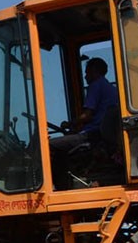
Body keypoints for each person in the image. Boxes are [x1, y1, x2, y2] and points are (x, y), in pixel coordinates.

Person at [49, 57, 119, 188]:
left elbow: (87, 115)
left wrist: (69, 124)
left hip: (91, 135)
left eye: (87, 72)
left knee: (49, 145)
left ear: (95, 72)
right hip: (100, 135)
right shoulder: (111, 88)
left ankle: (60, 186)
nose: (85, 76)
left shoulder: (95, 85)